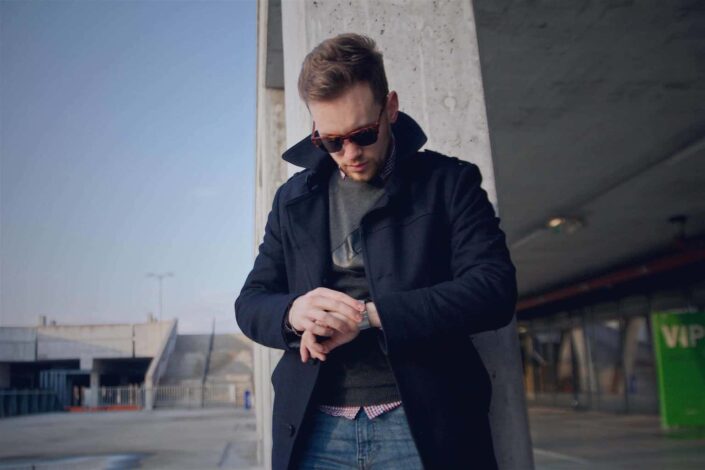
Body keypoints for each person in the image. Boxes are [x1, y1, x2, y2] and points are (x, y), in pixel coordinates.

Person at [235, 33, 517, 470]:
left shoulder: (449, 183)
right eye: (330, 141)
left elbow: (493, 291)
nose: (349, 154)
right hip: (314, 427)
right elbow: (251, 301)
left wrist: (368, 317)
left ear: (390, 107)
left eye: (363, 134)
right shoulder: (292, 200)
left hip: (425, 423)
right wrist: (293, 314)